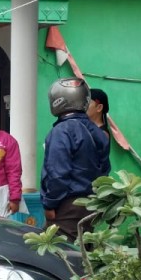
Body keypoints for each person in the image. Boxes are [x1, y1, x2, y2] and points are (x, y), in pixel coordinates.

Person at [40, 78, 111, 242]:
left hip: (66, 206)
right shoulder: (97, 131)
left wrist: (50, 204)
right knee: (84, 252)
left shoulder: (61, 130)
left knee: (60, 256)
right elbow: (104, 170)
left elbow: (57, 173)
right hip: (91, 203)